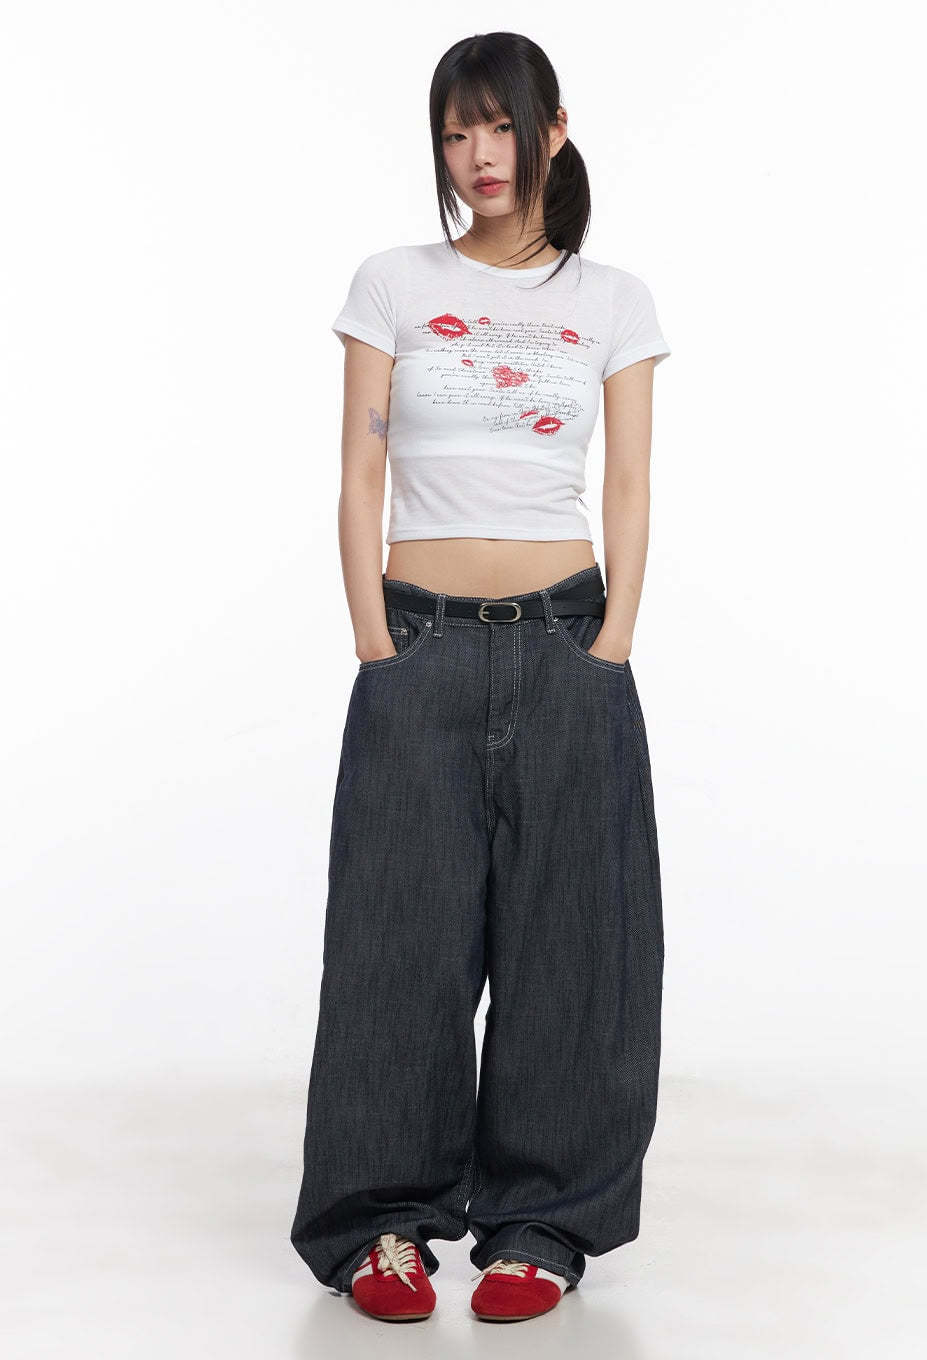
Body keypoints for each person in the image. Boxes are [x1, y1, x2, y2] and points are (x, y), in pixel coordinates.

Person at [289, 31, 669, 1323]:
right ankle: (380, 1227)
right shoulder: (393, 283)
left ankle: (540, 1226)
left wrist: (613, 645)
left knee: (574, 941)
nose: (478, 156)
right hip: (420, 647)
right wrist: (373, 643)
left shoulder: (611, 299)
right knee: (396, 940)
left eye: (500, 127)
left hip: (569, 644)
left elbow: (629, 482)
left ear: (552, 130)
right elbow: (360, 469)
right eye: (456, 133)